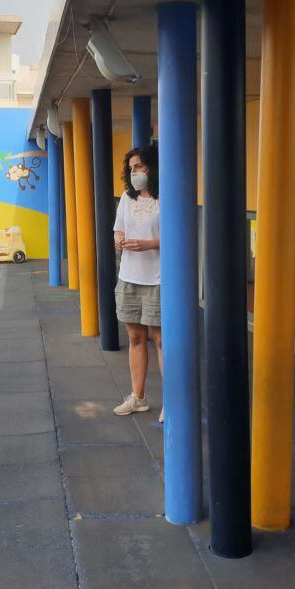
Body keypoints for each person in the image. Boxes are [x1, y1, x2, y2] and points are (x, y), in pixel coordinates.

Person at [112, 146, 163, 421]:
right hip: (129, 276)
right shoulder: (126, 198)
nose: (134, 173)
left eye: (140, 167)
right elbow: (118, 228)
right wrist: (119, 239)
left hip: (158, 278)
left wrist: (148, 244)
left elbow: (177, 235)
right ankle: (137, 397)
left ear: (152, 168)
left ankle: (173, 403)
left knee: (161, 340)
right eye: (131, 168)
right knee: (134, 337)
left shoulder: (165, 196)